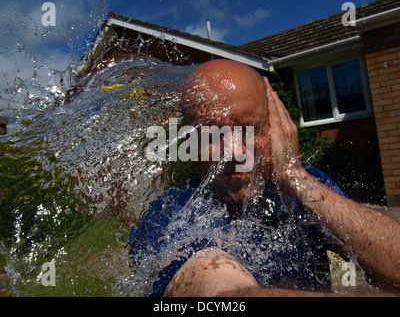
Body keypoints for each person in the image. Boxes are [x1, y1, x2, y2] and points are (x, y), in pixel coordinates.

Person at [129, 59, 400, 297]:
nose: (235, 151)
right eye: (212, 134)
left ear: (276, 127)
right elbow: (217, 289)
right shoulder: (169, 214)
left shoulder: (297, 187)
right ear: (188, 141)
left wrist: (295, 177)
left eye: (250, 128)